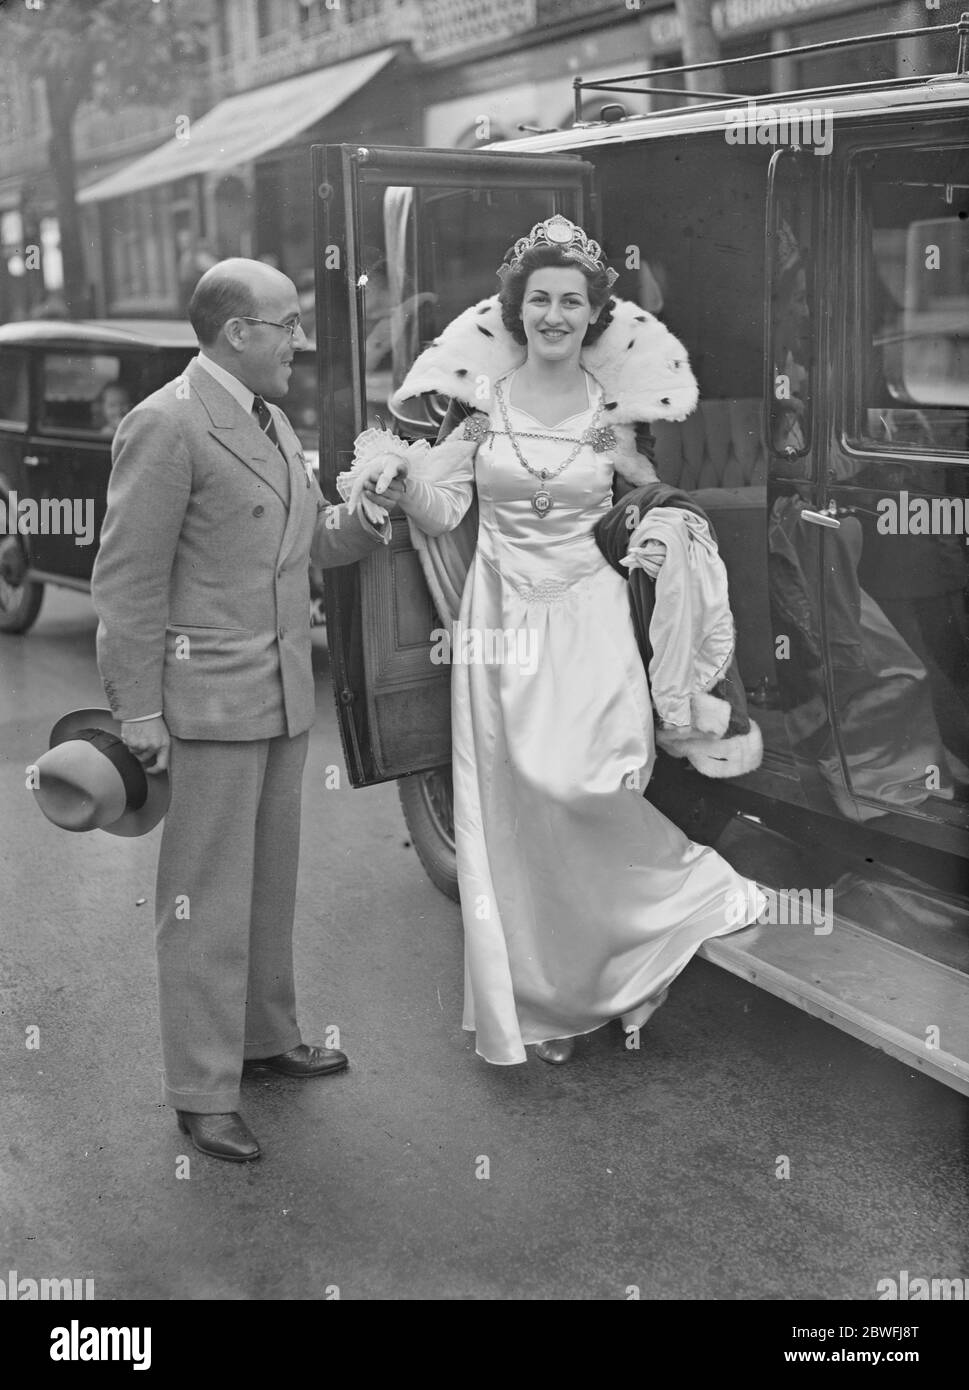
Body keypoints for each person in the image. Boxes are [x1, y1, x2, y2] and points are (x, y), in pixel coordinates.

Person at [348, 216, 765, 1067]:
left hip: (591, 617)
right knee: (520, 808)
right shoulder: (481, 416)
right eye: (539, 299)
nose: (553, 315)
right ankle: (552, 996)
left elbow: (659, 506)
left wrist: (662, 533)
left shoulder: (612, 423)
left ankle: (645, 940)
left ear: (591, 316)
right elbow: (445, 512)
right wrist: (396, 488)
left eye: (570, 302)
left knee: (590, 785)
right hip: (500, 625)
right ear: (515, 311)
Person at [90, 258, 390, 1161]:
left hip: (279, 698)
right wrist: (139, 708)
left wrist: (365, 517)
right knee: (202, 902)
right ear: (237, 334)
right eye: (288, 323)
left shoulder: (266, 418)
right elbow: (127, 580)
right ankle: (201, 1089)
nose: (301, 339)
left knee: (265, 885)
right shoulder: (168, 424)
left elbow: (297, 546)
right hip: (205, 704)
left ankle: (264, 1039)